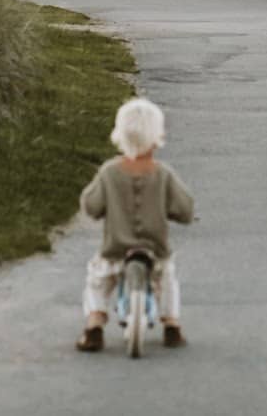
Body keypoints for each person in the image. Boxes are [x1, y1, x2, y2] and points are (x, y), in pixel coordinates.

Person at [75, 97, 195, 352]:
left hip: (115, 250)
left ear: (119, 134)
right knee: (167, 278)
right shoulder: (163, 174)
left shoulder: (109, 173)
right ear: (157, 135)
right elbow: (184, 209)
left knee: (97, 281)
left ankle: (94, 323)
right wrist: (171, 212)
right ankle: (171, 324)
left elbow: (92, 205)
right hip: (155, 250)